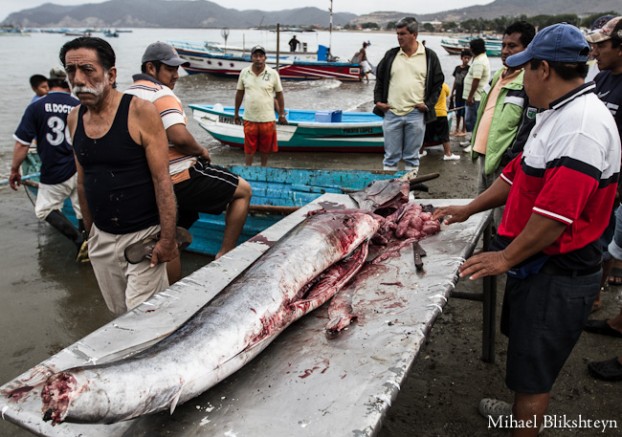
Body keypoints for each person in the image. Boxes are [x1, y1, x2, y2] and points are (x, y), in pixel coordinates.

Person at [433, 23, 620, 434]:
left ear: (545, 70)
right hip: (535, 265)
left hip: (558, 272)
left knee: (535, 375)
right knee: (523, 355)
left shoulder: (581, 126)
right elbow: (517, 175)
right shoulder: (556, 113)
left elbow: (557, 216)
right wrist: (469, 208)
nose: (518, 77)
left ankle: (525, 417)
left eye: (524, 68)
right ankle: (518, 408)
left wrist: (505, 256)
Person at [60, 37, 179, 315]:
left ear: (111, 74)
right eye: (70, 71)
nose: (77, 79)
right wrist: (90, 235)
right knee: (119, 315)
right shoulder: (75, 118)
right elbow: (82, 180)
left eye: (87, 70)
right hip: (102, 237)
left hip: (143, 239)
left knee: (143, 321)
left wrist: (168, 240)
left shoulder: (139, 112)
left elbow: (162, 180)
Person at [125, 41, 252, 271]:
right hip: (177, 176)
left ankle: (165, 261)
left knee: (171, 236)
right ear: (151, 68)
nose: (176, 75)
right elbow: (179, 136)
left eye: (177, 69)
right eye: (170, 69)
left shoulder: (126, 94)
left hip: (144, 182)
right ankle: (225, 253)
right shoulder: (161, 94)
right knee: (243, 191)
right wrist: (201, 150)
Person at [582, 16, 622, 381]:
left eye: (601, 45)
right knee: (609, 247)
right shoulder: (603, 78)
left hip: (616, 188)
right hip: (604, 190)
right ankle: (618, 321)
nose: (594, 51)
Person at [10, 67, 86, 260]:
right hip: (80, 167)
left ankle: (78, 241)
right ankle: (89, 243)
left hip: (55, 169)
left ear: (49, 86)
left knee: (44, 209)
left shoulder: (36, 106)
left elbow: (22, 144)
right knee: (81, 208)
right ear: (68, 86)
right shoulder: (80, 104)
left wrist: (14, 169)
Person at [467, 21, 537, 203]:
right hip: (484, 156)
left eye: (512, 46)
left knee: (500, 218)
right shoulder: (499, 75)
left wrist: (510, 158)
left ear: (528, 49)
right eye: (503, 45)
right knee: (480, 214)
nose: (505, 51)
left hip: (503, 163)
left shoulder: (529, 82)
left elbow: (528, 128)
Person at [373, 16, 444, 179]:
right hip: (392, 112)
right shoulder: (391, 55)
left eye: (403, 34)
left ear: (414, 34)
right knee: (390, 157)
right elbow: (380, 79)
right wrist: (378, 102)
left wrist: (427, 105)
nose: (399, 37)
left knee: (412, 157)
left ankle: (408, 190)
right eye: (397, 34)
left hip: (415, 114)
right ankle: (389, 190)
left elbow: (438, 83)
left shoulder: (429, 56)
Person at [234, 45, 287, 167]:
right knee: (249, 148)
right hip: (249, 118)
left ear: (265, 58)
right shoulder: (244, 73)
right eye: (255, 56)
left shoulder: (273, 73)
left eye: (261, 56)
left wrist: (281, 114)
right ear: (251, 57)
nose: (258, 58)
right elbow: (239, 93)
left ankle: (263, 168)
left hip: (267, 119)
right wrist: (236, 113)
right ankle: (248, 169)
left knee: (265, 148)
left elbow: (279, 95)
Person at [461, 38, 490, 151]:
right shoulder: (480, 58)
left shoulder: (479, 61)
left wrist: (470, 96)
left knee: (471, 120)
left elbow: (476, 80)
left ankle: (473, 144)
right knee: (470, 119)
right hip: (475, 96)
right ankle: (470, 140)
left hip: (475, 97)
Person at [422, 82, 460, 161]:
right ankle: (448, 154)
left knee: (424, 134)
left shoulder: (427, 85)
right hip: (441, 113)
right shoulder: (444, 85)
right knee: (444, 135)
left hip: (430, 113)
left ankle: (420, 152)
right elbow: (447, 94)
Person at [450, 49, 471, 137]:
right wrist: (452, 92)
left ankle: (463, 129)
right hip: (458, 93)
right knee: (457, 112)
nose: (466, 60)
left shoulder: (469, 69)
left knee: (464, 112)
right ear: (461, 58)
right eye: (465, 58)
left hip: (465, 94)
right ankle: (457, 128)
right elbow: (456, 81)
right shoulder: (457, 68)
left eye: (468, 58)